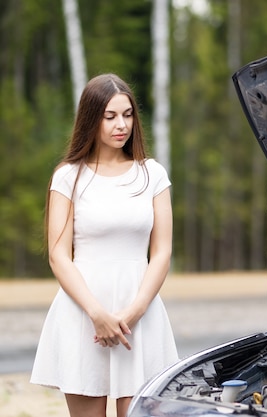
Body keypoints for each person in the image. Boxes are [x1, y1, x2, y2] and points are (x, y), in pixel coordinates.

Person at [31, 73, 179, 417]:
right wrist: (97, 314)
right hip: (82, 314)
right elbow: (58, 255)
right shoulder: (68, 176)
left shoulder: (152, 174)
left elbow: (161, 252)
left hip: (140, 317)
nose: (121, 125)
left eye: (127, 115)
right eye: (110, 116)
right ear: (90, 119)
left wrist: (134, 312)